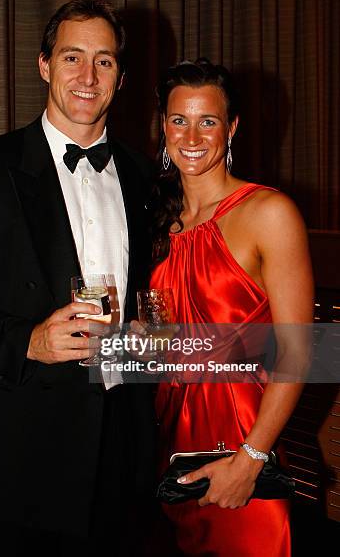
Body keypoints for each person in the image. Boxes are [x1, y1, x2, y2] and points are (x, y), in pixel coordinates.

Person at [0, 0, 155, 556]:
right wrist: (27, 341)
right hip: (19, 442)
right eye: (72, 58)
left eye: (105, 61)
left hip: (122, 440)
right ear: (44, 65)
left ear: (121, 75)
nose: (87, 77)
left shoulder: (143, 175)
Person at [149, 58, 313, 556]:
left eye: (208, 121)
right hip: (165, 438)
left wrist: (252, 458)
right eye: (179, 120)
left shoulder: (269, 213)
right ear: (163, 126)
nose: (192, 136)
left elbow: (300, 352)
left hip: (240, 443)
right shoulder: (157, 221)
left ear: (232, 127)